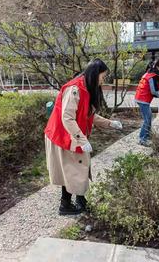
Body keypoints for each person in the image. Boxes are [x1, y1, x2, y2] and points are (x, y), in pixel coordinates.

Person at [45, 59, 123, 215]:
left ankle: (74, 203)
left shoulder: (86, 88)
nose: (103, 80)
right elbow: (67, 117)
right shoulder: (75, 89)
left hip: (72, 134)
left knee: (75, 169)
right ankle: (69, 204)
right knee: (75, 169)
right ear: (95, 74)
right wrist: (82, 140)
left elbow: (88, 115)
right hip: (63, 135)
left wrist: (110, 124)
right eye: (103, 76)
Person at [135, 59, 159, 147]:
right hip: (143, 99)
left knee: (148, 117)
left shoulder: (148, 73)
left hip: (141, 98)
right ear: (158, 66)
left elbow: (154, 87)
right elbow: (154, 91)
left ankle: (145, 136)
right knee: (147, 119)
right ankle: (143, 139)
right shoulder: (153, 76)